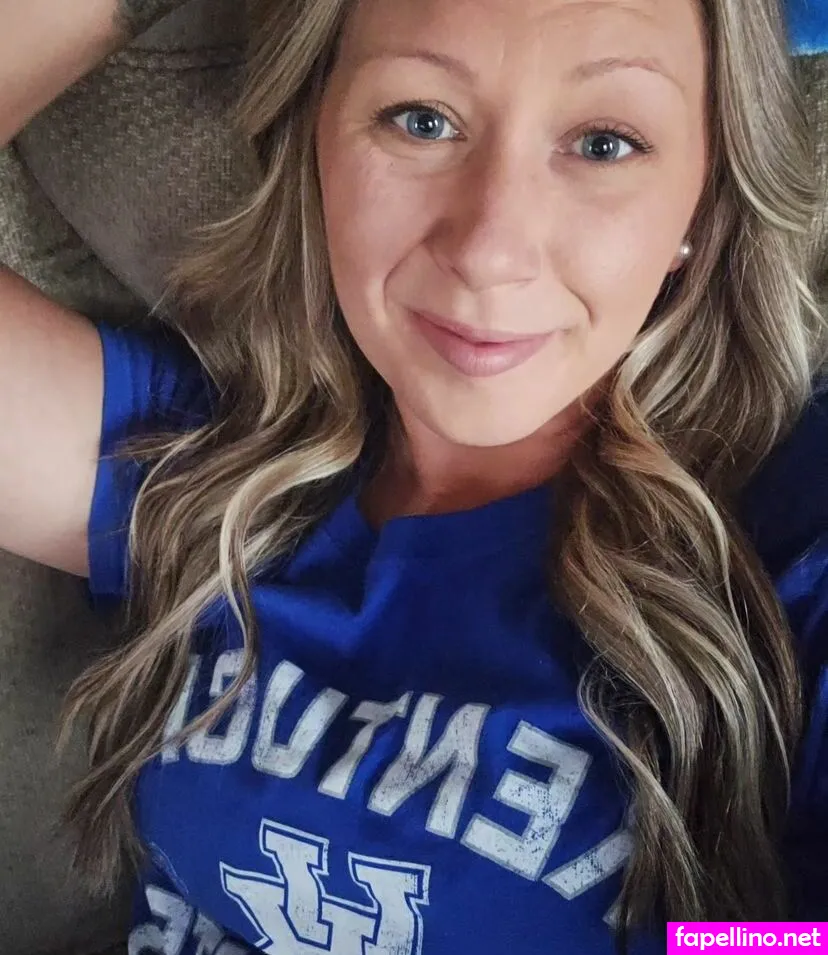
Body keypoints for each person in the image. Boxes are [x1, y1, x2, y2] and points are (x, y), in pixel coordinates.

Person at [0, 0, 826, 952]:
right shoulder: (214, 479)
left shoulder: (787, 536)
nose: (488, 251)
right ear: (316, 140)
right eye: (422, 120)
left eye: (604, 144)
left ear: (702, 202)